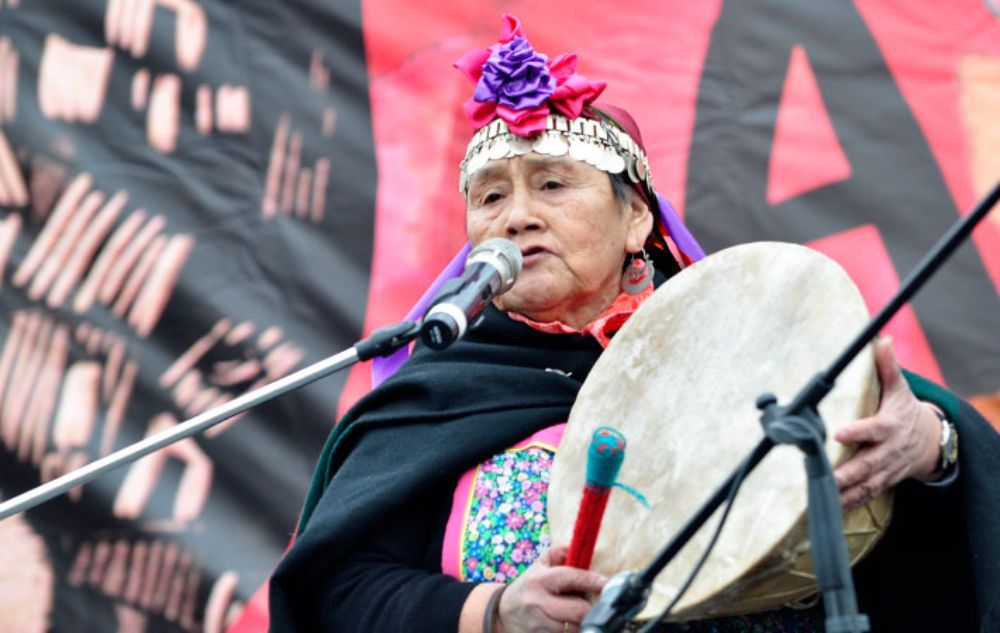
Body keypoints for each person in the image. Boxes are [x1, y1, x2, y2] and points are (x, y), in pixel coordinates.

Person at [269, 15, 1000, 633]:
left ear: (637, 219)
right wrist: (493, 611)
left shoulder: (741, 347)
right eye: (490, 197)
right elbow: (336, 590)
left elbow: (932, 522)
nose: (517, 214)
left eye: (552, 184)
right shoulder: (443, 392)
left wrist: (933, 446)